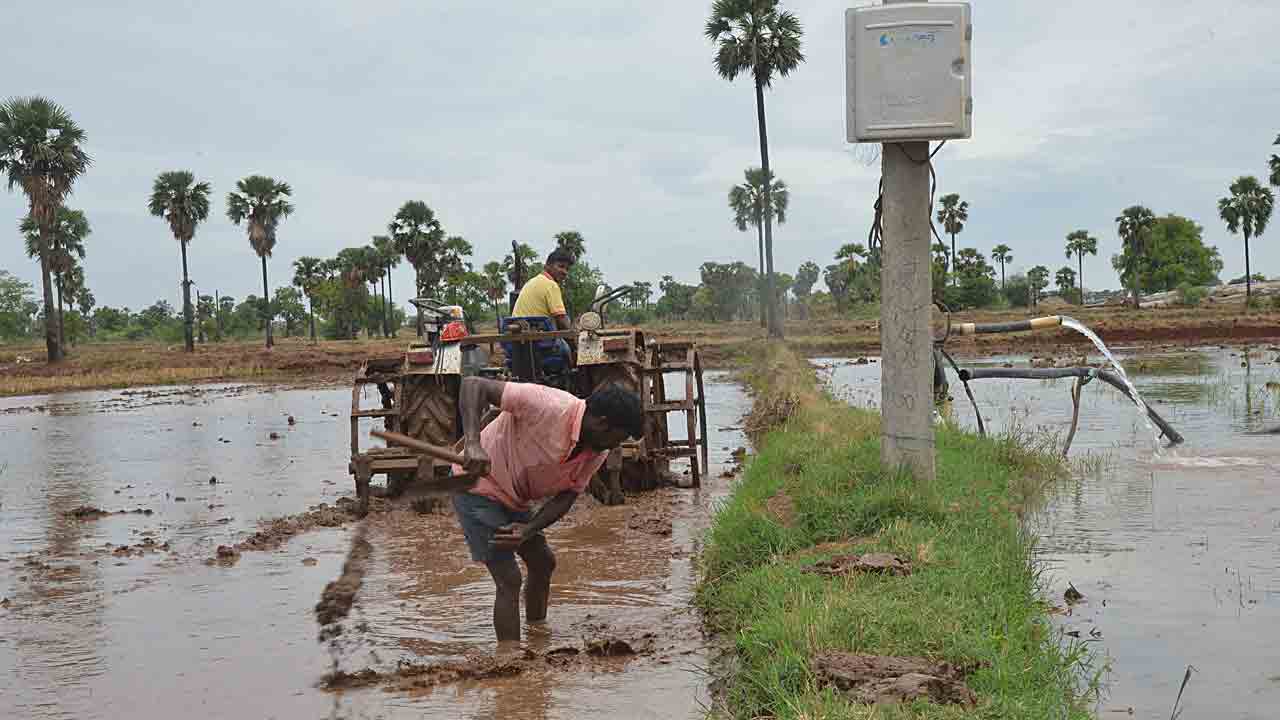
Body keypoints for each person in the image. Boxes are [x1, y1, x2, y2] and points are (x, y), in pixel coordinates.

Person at [452, 376, 643, 644]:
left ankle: (537, 636)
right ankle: (510, 665)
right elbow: (473, 384)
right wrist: (472, 443)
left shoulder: (594, 451)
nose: (614, 447)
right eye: (616, 438)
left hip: (514, 495)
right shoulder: (546, 404)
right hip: (477, 487)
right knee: (509, 578)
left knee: (543, 562)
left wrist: (528, 529)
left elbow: (567, 496)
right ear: (602, 423)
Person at [512, 248, 575, 331]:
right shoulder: (550, 284)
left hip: (520, 333)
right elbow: (562, 321)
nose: (564, 272)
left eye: (567, 269)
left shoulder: (533, 281)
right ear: (547, 266)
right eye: (561, 266)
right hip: (538, 338)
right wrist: (574, 333)